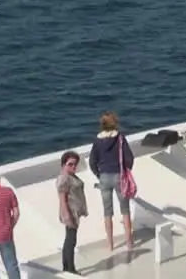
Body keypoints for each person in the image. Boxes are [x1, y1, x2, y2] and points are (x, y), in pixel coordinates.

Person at [88, 110, 134, 251]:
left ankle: (110, 244)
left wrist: (99, 174)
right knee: (125, 210)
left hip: (104, 177)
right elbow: (129, 158)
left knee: (107, 212)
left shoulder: (97, 141)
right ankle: (129, 242)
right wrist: (126, 171)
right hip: (119, 176)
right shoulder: (120, 138)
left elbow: (92, 161)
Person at [55, 151, 88, 273]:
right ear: (64, 165)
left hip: (74, 211)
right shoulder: (64, 178)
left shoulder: (70, 176)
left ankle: (68, 267)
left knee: (70, 239)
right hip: (70, 212)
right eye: (70, 164)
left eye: (75, 164)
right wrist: (68, 215)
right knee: (71, 240)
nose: (73, 167)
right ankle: (70, 269)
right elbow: (63, 199)